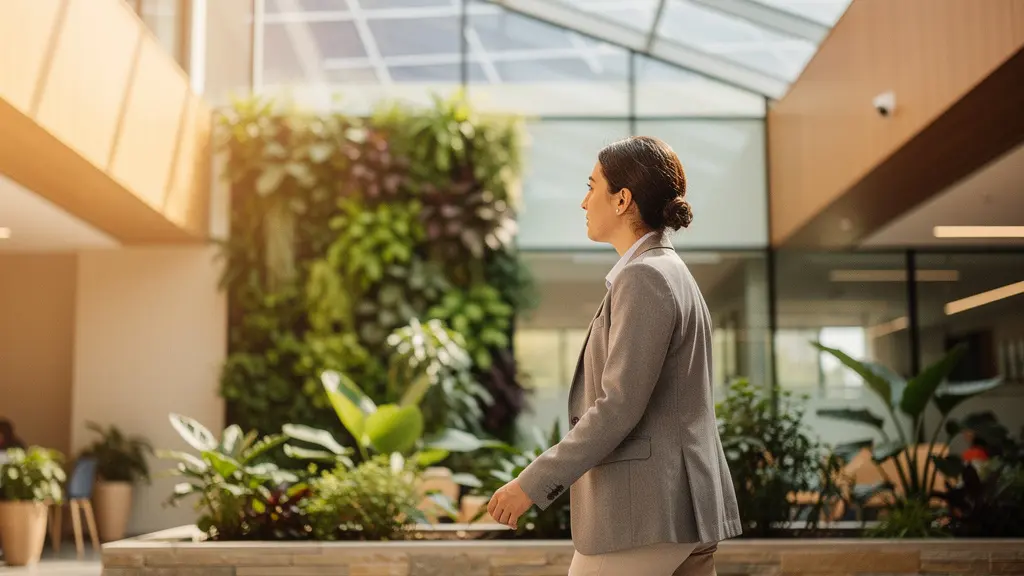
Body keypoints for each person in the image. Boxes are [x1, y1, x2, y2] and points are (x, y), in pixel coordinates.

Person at [488, 136, 742, 575]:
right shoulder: (672, 272)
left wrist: (531, 484)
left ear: (622, 199)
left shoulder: (644, 277)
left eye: (591, 187)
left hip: (646, 514)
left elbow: (617, 406)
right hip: (680, 508)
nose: (583, 201)